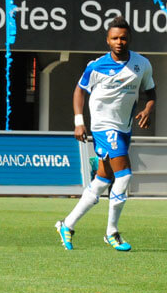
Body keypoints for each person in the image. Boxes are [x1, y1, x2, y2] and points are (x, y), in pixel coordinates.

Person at [55, 16, 156, 252]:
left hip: (124, 128)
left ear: (129, 38)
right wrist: (79, 122)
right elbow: (79, 92)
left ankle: (66, 225)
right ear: (107, 40)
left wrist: (148, 109)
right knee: (124, 177)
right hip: (103, 127)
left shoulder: (142, 64)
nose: (119, 42)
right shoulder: (96, 66)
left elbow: (151, 92)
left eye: (123, 37)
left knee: (102, 181)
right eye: (114, 38)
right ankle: (112, 232)